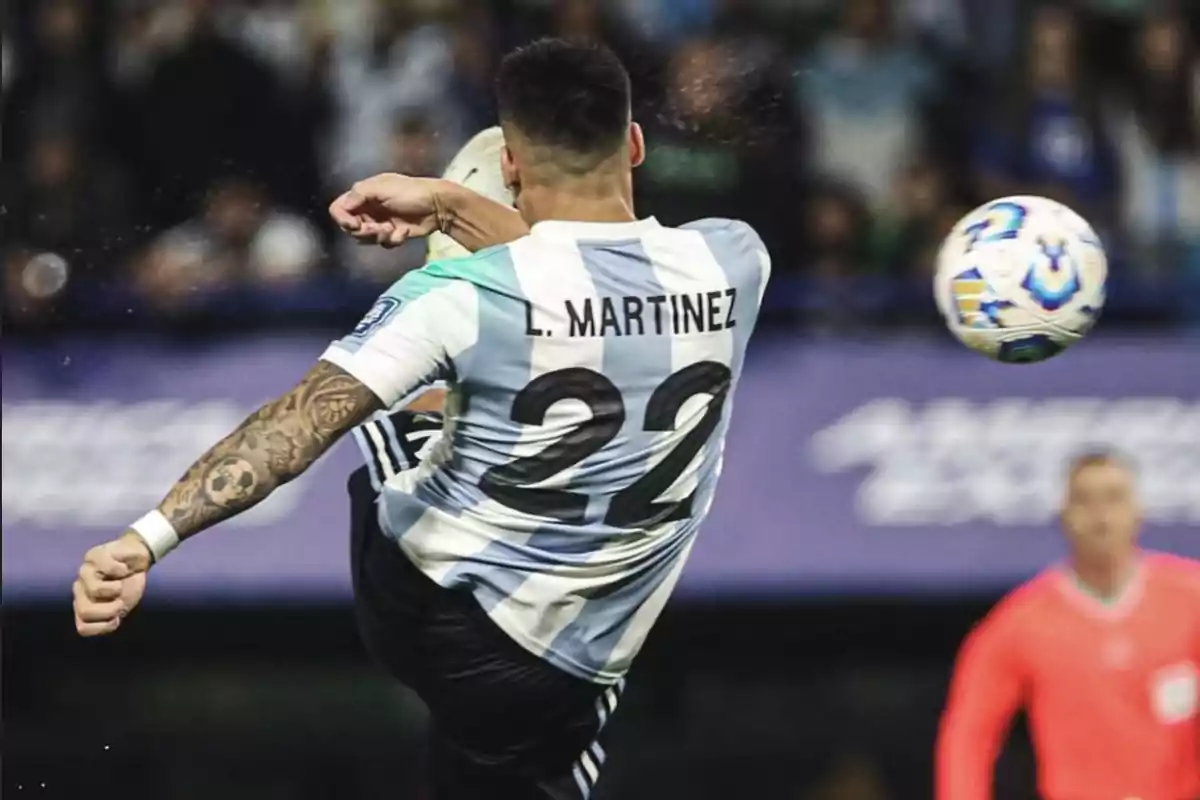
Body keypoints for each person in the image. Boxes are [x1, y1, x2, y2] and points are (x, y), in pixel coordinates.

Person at [72, 38, 771, 800]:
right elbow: (593, 281)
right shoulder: (734, 260)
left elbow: (295, 426)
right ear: (635, 144)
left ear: (510, 166)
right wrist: (449, 202)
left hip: (435, 617)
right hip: (579, 661)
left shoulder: (456, 296)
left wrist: (145, 539)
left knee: (409, 415)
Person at [936, 451, 1200, 800]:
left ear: (1139, 510)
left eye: (1114, 498)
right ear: (1063, 514)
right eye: (1085, 501)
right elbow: (969, 735)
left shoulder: (1190, 599)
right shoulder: (1020, 623)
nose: (1101, 516)